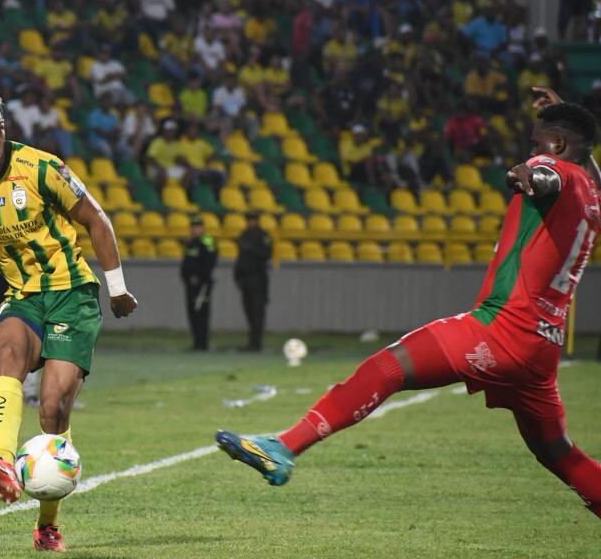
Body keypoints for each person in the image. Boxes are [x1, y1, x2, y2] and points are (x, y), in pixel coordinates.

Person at [216, 90, 601, 521]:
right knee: (558, 453)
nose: (531, 151)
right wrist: (571, 139)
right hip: (543, 348)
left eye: (536, 143)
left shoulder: (552, 168)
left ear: (558, 145)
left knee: (389, 366)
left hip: (502, 329)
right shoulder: (592, 193)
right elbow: (580, 166)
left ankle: (284, 447)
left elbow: (545, 173)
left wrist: (528, 174)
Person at [0, 83, 138, 553]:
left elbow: (96, 219)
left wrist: (117, 288)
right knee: (8, 348)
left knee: (52, 410)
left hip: (72, 295)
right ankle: (0, 463)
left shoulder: (40, 167)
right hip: (22, 297)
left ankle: (47, 524)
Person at [234, 211, 272, 352]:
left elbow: (266, 254)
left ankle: (256, 342)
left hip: (258, 277)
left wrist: (252, 249)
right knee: (249, 310)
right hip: (245, 278)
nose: (250, 222)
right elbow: (240, 258)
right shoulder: (244, 235)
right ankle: (252, 342)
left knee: (257, 311)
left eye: (252, 220)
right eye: (249, 220)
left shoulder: (263, 236)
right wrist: (237, 275)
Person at [180, 214, 217, 351]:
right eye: (193, 227)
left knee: (201, 312)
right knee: (192, 312)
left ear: (202, 228)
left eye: (197, 227)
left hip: (202, 284)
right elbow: (186, 263)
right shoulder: (191, 243)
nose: (194, 229)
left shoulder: (207, 241)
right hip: (190, 284)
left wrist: (200, 277)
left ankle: (203, 343)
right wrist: (186, 277)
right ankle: (196, 342)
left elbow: (210, 262)